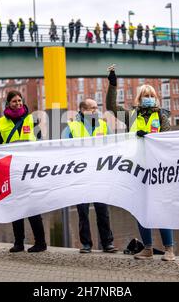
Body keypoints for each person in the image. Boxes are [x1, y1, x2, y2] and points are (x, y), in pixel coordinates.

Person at [105, 64, 176, 261]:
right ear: (138, 99)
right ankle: (148, 248)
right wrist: (112, 84)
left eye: (151, 95)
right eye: (145, 95)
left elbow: (167, 139)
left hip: (158, 169)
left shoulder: (162, 116)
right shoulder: (131, 115)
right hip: (137, 168)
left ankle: (169, 249)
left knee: (161, 208)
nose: (148, 98)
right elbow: (111, 107)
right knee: (141, 209)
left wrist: (151, 138)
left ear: (156, 98)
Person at [61, 99, 118, 254]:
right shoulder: (72, 127)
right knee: (83, 211)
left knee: (103, 210)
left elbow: (114, 145)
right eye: (93, 108)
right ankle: (86, 244)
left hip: (100, 173)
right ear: (83, 110)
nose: (96, 111)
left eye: (97, 108)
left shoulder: (103, 125)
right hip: (81, 174)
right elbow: (63, 149)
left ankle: (107, 243)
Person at [0, 91, 47, 253]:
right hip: (12, 169)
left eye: (19, 100)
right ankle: (19, 243)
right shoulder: (1, 122)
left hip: (29, 169)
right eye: (14, 101)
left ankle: (41, 242)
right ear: (8, 103)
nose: (17, 103)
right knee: (15, 206)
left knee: (32, 206)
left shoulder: (32, 119)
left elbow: (40, 141)